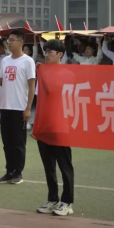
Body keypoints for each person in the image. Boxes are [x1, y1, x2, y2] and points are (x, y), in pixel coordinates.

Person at [0, 30, 36, 185]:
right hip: (5, 106)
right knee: (7, 142)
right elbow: (4, 82)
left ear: (21, 42)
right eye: (8, 40)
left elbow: (32, 85)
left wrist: (28, 108)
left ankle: (18, 173)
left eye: (12, 40)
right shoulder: (5, 61)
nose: (9, 42)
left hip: (19, 107)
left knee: (18, 143)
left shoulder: (27, 61)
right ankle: (9, 171)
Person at [34, 39, 75, 217]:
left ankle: (67, 202)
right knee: (48, 166)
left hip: (62, 126)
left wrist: (42, 73)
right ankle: (53, 199)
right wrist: (37, 127)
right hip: (45, 125)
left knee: (65, 166)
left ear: (60, 54)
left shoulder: (68, 74)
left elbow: (61, 96)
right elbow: (41, 102)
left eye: (50, 51)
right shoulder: (42, 73)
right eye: (45, 51)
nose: (46, 54)